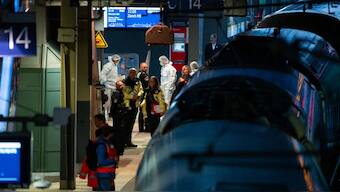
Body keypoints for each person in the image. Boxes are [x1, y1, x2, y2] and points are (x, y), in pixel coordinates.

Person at [122, 68, 143, 147]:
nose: (133, 74)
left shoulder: (138, 81)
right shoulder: (125, 81)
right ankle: (123, 141)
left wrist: (138, 95)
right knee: (125, 124)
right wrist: (131, 97)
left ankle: (129, 141)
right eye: (131, 72)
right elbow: (124, 92)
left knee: (131, 124)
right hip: (127, 105)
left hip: (135, 105)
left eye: (134, 73)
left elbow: (141, 90)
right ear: (129, 73)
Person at [99, 54, 121, 120]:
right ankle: (105, 116)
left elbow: (113, 76)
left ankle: (109, 115)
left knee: (112, 103)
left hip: (113, 87)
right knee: (107, 103)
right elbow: (102, 74)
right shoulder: (108, 66)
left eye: (118, 60)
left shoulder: (115, 66)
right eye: (116, 60)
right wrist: (104, 82)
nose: (117, 61)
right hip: (108, 87)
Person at [96, 126, 117, 191]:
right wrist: (113, 160)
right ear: (110, 134)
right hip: (104, 175)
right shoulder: (102, 145)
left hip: (106, 174)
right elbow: (101, 161)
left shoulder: (106, 144)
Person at [110, 80, 127, 156]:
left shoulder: (125, 92)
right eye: (119, 86)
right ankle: (118, 149)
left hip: (123, 114)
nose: (121, 87)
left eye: (122, 85)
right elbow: (114, 103)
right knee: (117, 132)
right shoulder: (116, 93)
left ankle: (121, 149)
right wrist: (112, 113)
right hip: (117, 114)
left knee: (122, 132)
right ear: (116, 86)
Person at [137, 62, 149, 132]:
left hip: (145, 94)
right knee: (142, 111)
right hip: (142, 95)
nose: (145, 68)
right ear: (141, 67)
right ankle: (141, 128)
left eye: (146, 67)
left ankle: (144, 127)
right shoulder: (141, 74)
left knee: (144, 111)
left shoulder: (144, 74)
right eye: (144, 67)